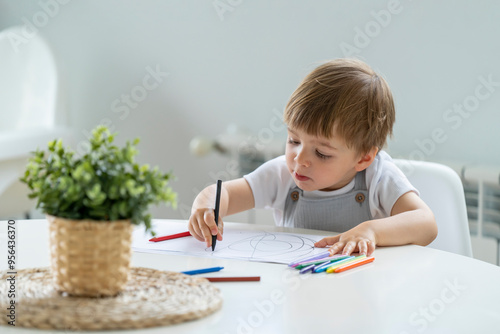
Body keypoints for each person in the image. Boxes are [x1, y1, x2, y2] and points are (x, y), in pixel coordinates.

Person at [188, 58, 437, 256]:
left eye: (322, 153)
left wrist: (371, 230)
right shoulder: (282, 174)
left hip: (362, 290)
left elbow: (426, 224)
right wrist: (207, 203)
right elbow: (226, 194)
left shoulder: (378, 177)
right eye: (294, 141)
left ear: (363, 158)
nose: (299, 159)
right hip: (297, 288)